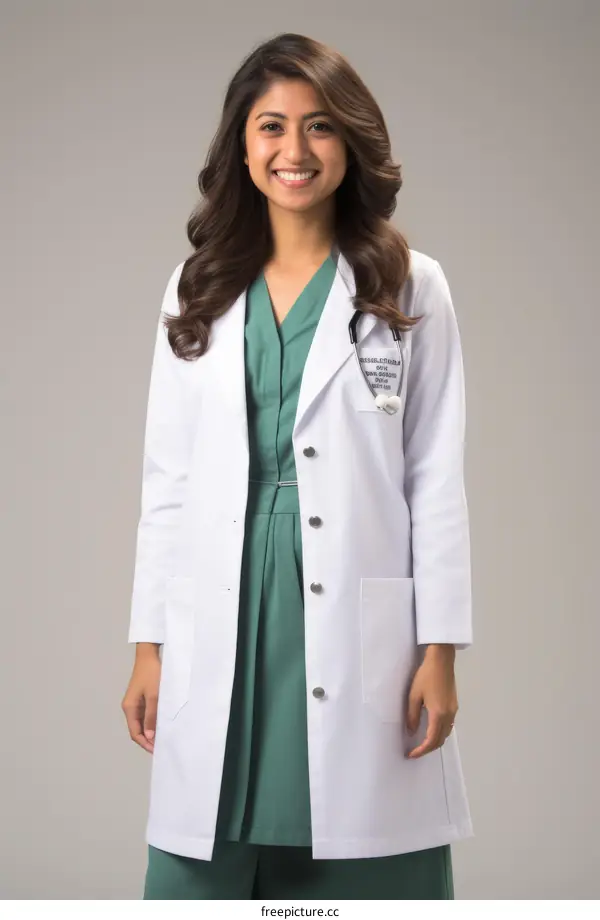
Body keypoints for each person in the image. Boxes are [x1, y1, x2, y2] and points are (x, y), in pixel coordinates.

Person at [121, 31, 474, 900]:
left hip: (358, 603)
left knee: (366, 855)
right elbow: (167, 482)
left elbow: (433, 473)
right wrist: (148, 644)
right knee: (207, 847)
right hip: (225, 592)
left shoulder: (407, 284)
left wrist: (441, 648)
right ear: (241, 145)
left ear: (350, 143)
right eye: (271, 126)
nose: (294, 151)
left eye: (318, 128)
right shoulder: (195, 286)